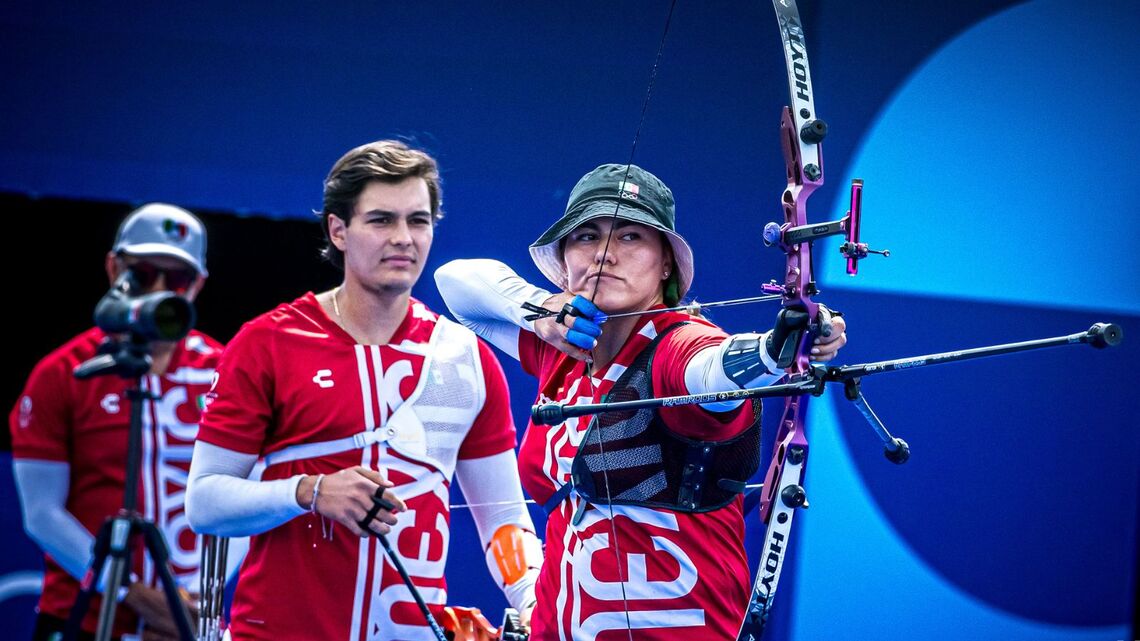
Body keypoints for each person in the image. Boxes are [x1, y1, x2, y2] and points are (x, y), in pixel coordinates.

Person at [434, 163, 848, 640]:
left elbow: (713, 370)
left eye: (630, 237)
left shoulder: (676, 346)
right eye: (586, 236)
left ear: (666, 263)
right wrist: (541, 310)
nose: (604, 254)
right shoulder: (560, 349)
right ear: (565, 257)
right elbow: (456, 282)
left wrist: (777, 348)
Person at [185, 140, 541, 641]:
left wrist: (537, 603)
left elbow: (503, 516)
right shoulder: (267, 342)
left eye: (418, 221)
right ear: (338, 230)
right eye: (381, 220)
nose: (404, 239)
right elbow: (204, 503)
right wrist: (309, 492)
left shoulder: (467, 356)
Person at [10, 203, 228, 640]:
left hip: (188, 621)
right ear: (114, 269)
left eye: (179, 278)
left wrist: (191, 599)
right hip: (85, 616)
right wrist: (129, 591)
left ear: (198, 285)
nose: (162, 290)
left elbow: (242, 493)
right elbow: (41, 513)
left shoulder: (224, 371)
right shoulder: (63, 372)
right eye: (146, 274)